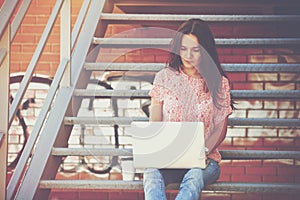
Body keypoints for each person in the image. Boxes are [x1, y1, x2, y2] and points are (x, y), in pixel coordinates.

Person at [143, 18, 234, 200]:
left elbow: (220, 128)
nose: (188, 55)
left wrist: (204, 152)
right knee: (151, 174)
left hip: (204, 161)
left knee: (194, 177)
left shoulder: (219, 83)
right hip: (170, 159)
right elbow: (155, 120)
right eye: (183, 49)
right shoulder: (165, 77)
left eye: (195, 50)